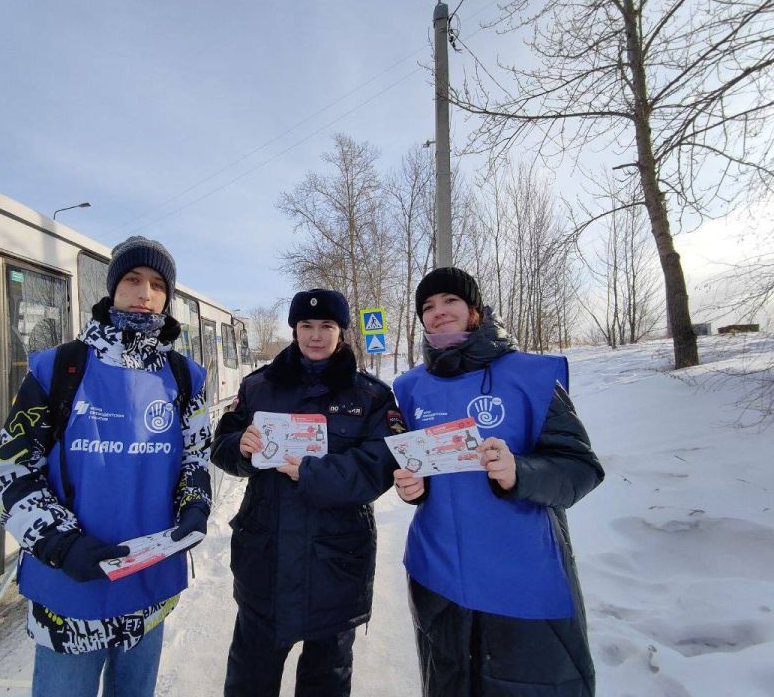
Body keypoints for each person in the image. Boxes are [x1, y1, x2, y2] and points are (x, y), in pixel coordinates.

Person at [0, 236, 211, 697]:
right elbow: (8, 472)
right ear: (113, 289)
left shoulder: (186, 377)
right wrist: (60, 544)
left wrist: (195, 504)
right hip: (71, 591)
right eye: (132, 279)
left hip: (149, 586)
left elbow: (195, 459)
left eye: (157, 284)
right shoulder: (60, 368)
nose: (145, 293)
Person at [392, 267, 604, 697]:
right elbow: (422, 466)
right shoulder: (410, 387)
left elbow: (581, 468)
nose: (438, 312)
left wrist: (520, 472)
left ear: (474, 309)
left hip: (524, 581)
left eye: (450, 300)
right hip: (439, 578)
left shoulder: (532, 376)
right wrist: (415, 487)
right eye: (428, 307)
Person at [211, 289, 403, 697]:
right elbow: (222, 443)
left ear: (342, 332)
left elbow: (380, 465)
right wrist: (240, 449)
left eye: (327, 327)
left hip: (336, 567)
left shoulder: (370, 396)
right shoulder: (257, 386)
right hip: (265, 560)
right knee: (249, 681)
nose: (316, 335)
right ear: (294, 329)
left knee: (325, 683)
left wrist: (314, 473)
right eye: (307, 326)